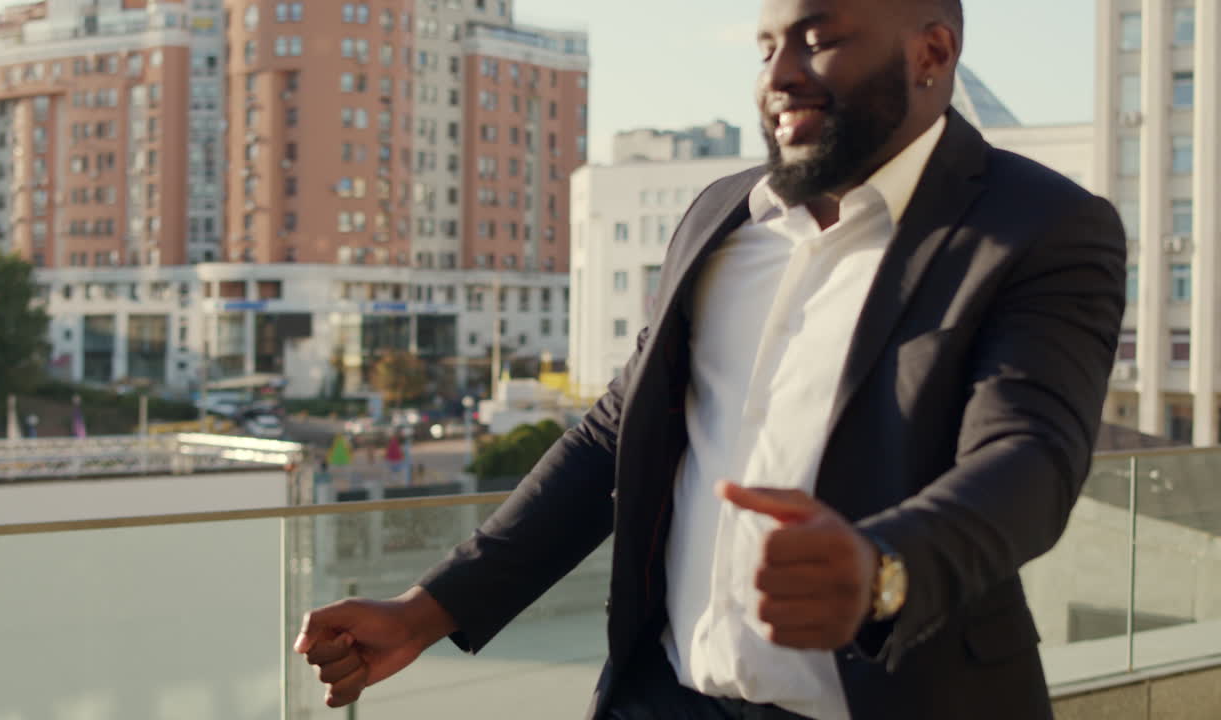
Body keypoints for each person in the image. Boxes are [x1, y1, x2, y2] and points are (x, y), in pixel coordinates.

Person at [295, 0, 1126, 717]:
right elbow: (611, 439)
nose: (780, 74)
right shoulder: (718, 217)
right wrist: (427, 610)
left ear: (931, 53)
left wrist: (885, 571)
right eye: (766, 47)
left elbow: (1029, 459)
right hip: (668, 699)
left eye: (818, 38)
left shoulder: (1041, 228)